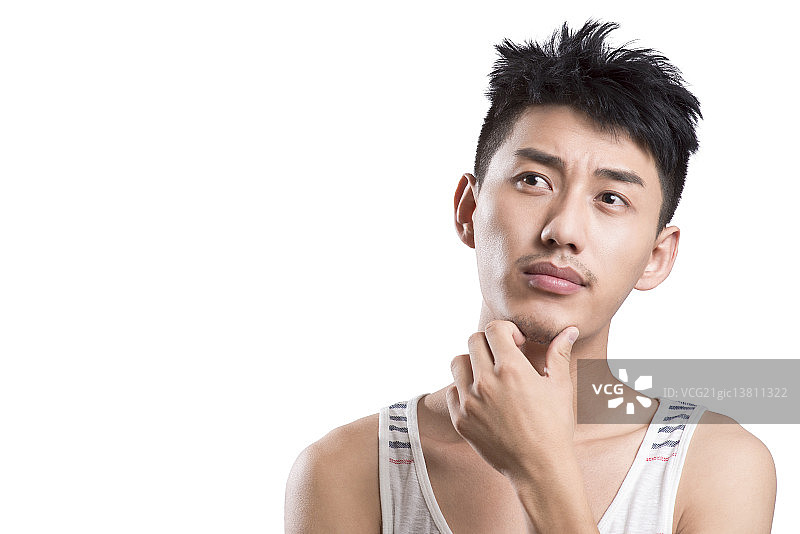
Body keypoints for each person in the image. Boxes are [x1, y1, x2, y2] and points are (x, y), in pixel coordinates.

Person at [284, 20, 777, 533]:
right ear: (469, 209)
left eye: (611, 198)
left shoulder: (716, 466)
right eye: (534, 180)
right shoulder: (348, 469)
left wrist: (540, 468)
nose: (563, 230)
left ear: (656, 256)